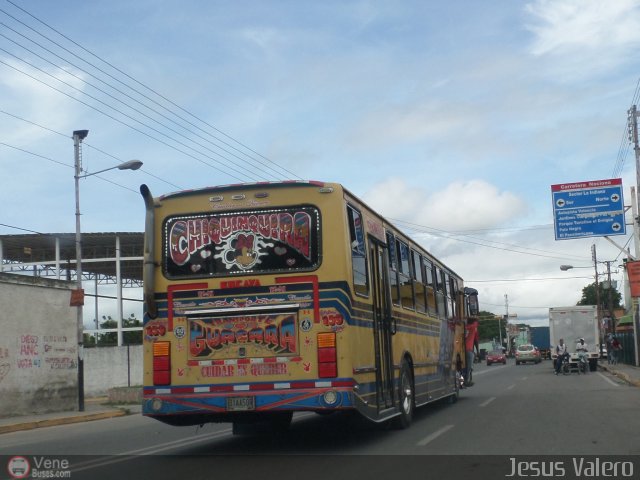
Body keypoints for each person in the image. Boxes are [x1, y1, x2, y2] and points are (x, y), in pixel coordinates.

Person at [464, 317, 480, 386]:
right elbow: (476, 341)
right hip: (468, 349)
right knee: (469, 366)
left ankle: (464, 379)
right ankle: (466, 380)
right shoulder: (473, 327)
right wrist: (478, 352)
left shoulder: (464, 327)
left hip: (461, 349)